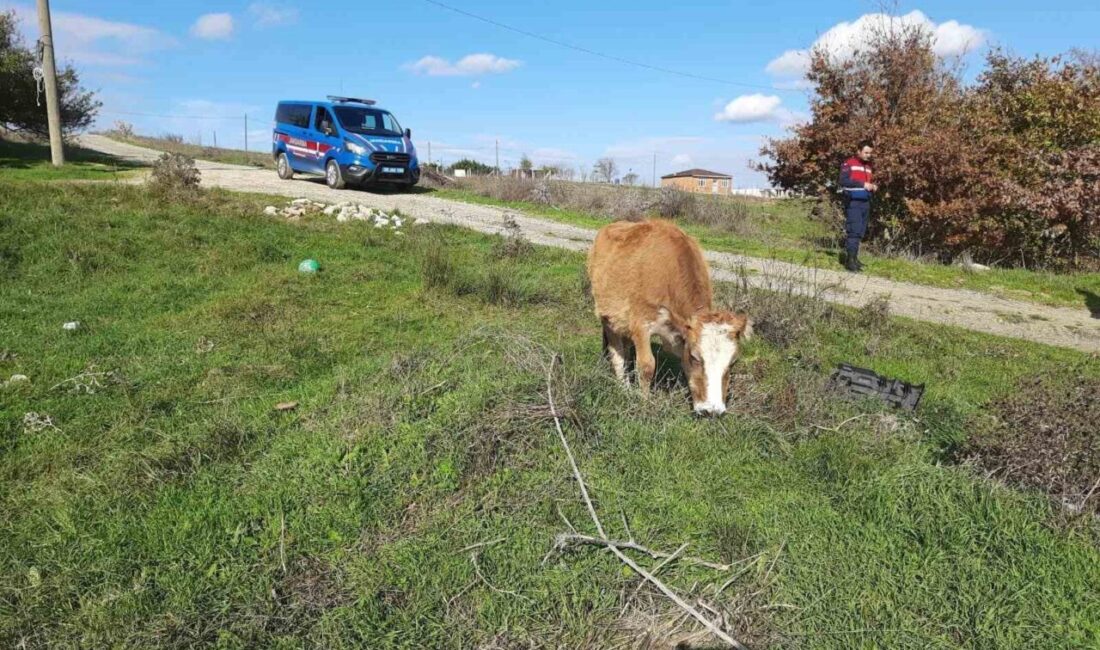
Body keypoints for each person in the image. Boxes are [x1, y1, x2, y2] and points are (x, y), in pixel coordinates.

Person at [838, 141, 877, 272]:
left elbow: (867, 183)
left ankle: (855, 258)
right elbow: (843, 181)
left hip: (865, 202)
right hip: (853, 202)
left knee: (860, 231)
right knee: (854, 231)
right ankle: (849, 261)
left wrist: (872, 187)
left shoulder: (869, 166)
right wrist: (863, 184)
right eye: (866, 152)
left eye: (870, 153)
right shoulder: (849, 163)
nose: (868, 155)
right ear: (858, 151)